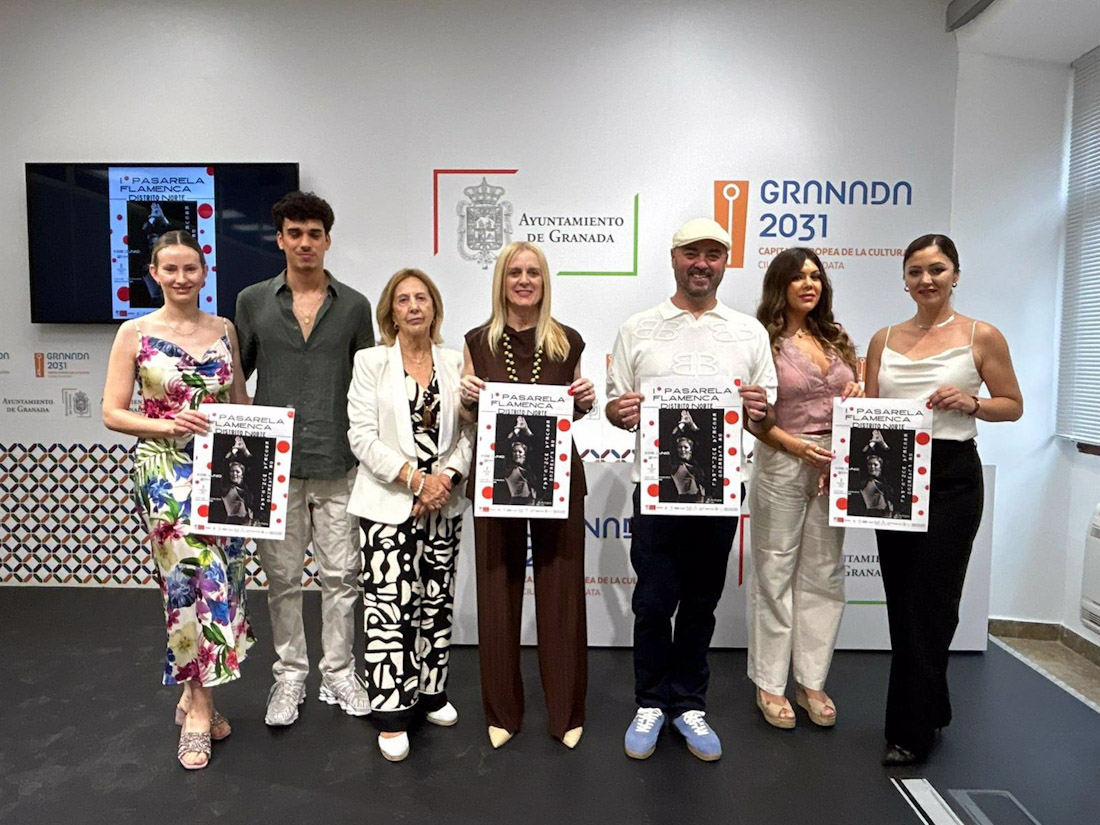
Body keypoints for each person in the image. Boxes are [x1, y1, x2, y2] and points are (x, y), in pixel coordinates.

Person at [606, 218, 777, 762]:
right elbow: (614, 405)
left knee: (702, 601)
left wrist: (758, 408)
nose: (701, 264)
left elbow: (764, 410)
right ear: (674, 259)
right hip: (655, 496)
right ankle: (651, 701)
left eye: (713, 255)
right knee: (654, 603)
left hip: (720, 493)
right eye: (691, 254)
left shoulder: (749, 332)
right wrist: (618, 410)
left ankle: (689, 704)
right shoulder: (638, 327)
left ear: (725, 262)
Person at [864, 233, 1023, 766]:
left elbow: (1013, 405)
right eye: (915, 271)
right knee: (902, 601)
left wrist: (972, 402)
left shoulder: (983, 335)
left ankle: (909, 730)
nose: (926, 280)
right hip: (891, 478)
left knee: (933, 603)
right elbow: (870, 412)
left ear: (956, 273)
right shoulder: (882, 339)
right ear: (904, 279)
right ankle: (931, 707)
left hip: (953, 477)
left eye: (936, 269)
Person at [102, 230, 253, 770]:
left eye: (191, 268)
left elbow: (240, 403)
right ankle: (199, 711)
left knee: (226, 579)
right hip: (165, 473)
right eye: (171, 269)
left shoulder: (224, 330)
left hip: (223, 474)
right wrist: (163, 424)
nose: (182, 278)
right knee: (188, 579)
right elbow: (112, 412)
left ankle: (193, 692)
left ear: (204, 272)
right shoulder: (135, 332)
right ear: (154, 273)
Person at [235, 191, 375, 726]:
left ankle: (339, 670)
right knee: (283, 578)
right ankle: (290, 675)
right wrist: (246, 444)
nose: (304, 243)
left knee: (343, 577)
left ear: (327, 240)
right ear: (280, 239)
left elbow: (369, 383)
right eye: (294, 233)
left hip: (339, 462)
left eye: (314, 234)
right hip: (275, 469)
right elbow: (235, 380)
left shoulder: (356, 305)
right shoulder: (252, 301)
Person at [459, 241, 597, 750]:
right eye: (514, 272)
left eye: (532, 273)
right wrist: (466, 401)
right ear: (501, 281)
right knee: (497, 593)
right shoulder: (476, 340)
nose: (523, 280)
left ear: (544, 282)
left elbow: (576, 404)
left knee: (562, 595)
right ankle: (502, 711)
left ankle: (566, 711)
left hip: (559, 479)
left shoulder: (569, 341)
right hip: (496, 482)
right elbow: (467, 415)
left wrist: (587, 400)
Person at [347, 268, 472, 762]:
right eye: (403, 300)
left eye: (423, 298)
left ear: (435, 309)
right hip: (386, 503)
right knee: (388, 608)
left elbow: (469, 433)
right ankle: (392, 712)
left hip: (444, 504)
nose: (414, 306)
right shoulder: (370, 362)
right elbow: (360, 436)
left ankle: (432, 692)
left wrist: (445, 481)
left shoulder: (455, 361)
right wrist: (415, 480)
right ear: (390, 312)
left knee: (435, 602)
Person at [747, 247, 862, 731]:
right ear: (781, 285)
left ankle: (810, 679)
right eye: (797, 278)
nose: (809, 284)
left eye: (816, 276)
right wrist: (798, 449)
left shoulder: (837, 338)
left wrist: (858, 391)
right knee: (774, 573)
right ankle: (770, 683)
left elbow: (859, 401)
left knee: (825, 573)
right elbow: (755, 419)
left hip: (836, 463)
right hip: (782, 460)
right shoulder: (762, 340)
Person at [495, 437, 539, 505]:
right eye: (514, 451)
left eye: (520, 452)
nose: (517, 454)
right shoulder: (510, 467)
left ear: (525, 454)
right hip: (515, 501)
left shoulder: (529, 469)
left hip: (530, 502)